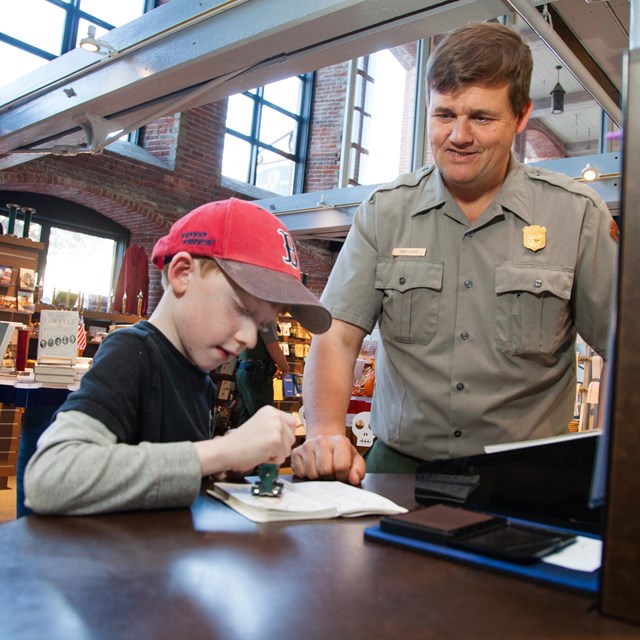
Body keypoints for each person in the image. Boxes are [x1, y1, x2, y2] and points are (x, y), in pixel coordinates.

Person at [291, 21, 618, 485]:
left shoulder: (577, 214)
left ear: (522, 116)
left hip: (528, 480)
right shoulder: (386, 212)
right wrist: (324, 432)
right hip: (399, 470)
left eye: (481, 118)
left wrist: (609, 465)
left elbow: (624, 350)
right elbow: (337, 335)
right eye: (444, 115)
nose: (458, 136)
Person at [24, 198, 331, 515]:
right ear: (182, 273)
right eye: (242, 309)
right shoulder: (132, 352)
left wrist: (230, 464)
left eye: (262, 324)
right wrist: (221, 450)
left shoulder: (198, 375)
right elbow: (50, 477)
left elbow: (165, 477)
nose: (250, 337)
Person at [236, 320, 290, 423]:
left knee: (247, 420)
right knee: (262, 420)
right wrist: (285, 367)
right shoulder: (266, 318)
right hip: (257, 374)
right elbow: (273, 348)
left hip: (245, 370)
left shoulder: (249, 316)